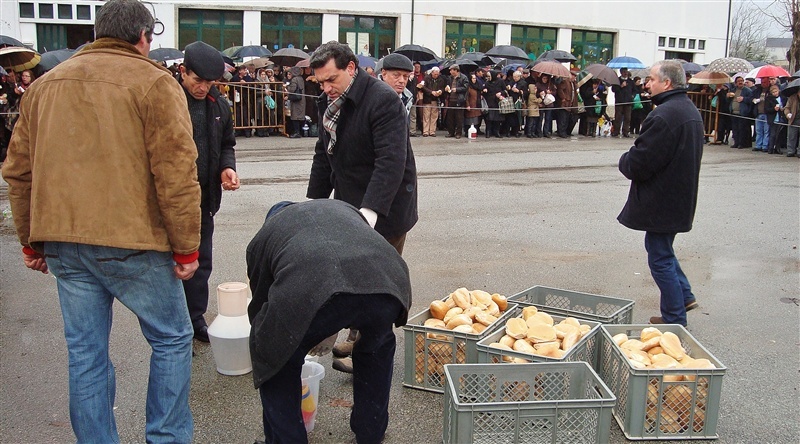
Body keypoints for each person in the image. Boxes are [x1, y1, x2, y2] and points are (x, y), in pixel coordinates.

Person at [1, 0, 200, 441]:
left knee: (86, 355)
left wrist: (31, 240)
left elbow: (18, 170)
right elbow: (175, 172)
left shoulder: (44, 86)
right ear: (143, 37)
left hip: (65, 242)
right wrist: (187, 247)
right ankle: (166, 438)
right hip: (134, 241)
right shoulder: (153, 82)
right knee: (170, 339)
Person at [247, 199, 411, 444]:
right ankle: (371, 432)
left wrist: (277, 346)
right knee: (376, 346)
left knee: (274, 357)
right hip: (388, 280)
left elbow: (261, 306)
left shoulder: (265, 235)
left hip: (315, 285)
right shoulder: (342, 208)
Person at [307, 41, 418, 374]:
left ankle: (367, 350)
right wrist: (313, 205)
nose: (325, 88)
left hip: (387, 206)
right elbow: (323, 153)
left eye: (331, 80)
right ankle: (351, 336)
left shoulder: (382, 100)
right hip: (350, 198)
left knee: (376, 280)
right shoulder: (329, 103)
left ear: (352, 68)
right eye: (320, 82)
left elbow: (390, 162)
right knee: (347, 270)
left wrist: (369, 214)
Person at [617, 60, 703, 327]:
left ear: (667, 83)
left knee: (659, 256)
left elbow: (640, 163)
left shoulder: (665, 114)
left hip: (664, 199)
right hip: (677, 196)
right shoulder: (686, 108)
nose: (647, 83)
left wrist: (625, 160)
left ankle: (674, 318)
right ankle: (684, 296)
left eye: (652, 79)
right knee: (663, 249)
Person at [178, 41, 240, 342]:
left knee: (201, 262)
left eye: (210, 82)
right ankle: (174, 329)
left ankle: (195, 319)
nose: (203, 88)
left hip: (205, 198)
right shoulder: (168, 101)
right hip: (173, 200)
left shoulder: (218, 105)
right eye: (197, 80)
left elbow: (227, 143)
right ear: (183, 72)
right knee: (173, 265)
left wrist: (226, 168)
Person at [379, 52, 415, 123]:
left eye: (405, 76)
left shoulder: (407, 98)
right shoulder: (370, 97)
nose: (402, 81)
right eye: (396, 75)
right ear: (384, 74)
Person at [420, 66, 445, 136]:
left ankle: (432, 131)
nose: (436, 76)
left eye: (437, 74)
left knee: (434, 116)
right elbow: (423, 87)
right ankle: (425, 131)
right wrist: (431, 92)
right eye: (435, 74)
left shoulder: (441, 79)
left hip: (436, 100)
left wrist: (440, 92)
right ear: (432, 72)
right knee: (426, 116)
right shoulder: (426, 78)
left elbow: (443, 88)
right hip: (427, 99)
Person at [444, 64, 468, 139]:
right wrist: (447, 88)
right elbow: (448, 85)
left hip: (459, 100)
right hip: (451, 99)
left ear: (455, 70)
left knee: (459, 118)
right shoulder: (450, 78)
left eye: (451, 70)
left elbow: (465, 87)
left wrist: (457, 89)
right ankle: (451, 132)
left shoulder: (463, 77)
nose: (450, 72)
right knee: (450, 118)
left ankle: (458, 133)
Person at [612, 67, 634, 138]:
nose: (625, 73)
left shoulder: (630, 81)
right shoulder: (617, 80)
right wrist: (621, 86)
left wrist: (633, 95)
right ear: (621, 72)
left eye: (626, 72)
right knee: (618, 117)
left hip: (628, 102)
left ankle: (625, 131)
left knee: (627, 117)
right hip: (619, 101)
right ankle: (616, 131)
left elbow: (634, 89)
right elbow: (614, 89)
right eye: (624, 72)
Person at [286, 66, 306, 138]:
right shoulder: (301, 78)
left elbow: (292, 89)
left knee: (295, 116)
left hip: (296, 100)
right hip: (302, 100)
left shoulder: (294, 79)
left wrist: (287, 87)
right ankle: (300, 131)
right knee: (300, 116)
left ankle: (297, 132)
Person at [784, 88, 800, 157]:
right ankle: (790, 151)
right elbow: (787, 108)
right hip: (794, 119)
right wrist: (788, 114)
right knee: (791, 136)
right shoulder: (792, 98)